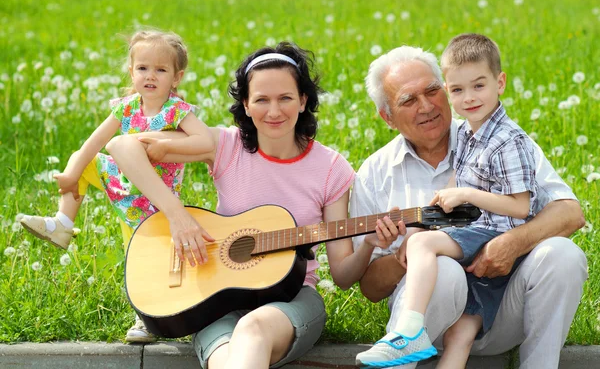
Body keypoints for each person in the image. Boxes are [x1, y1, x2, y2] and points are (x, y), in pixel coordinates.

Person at [105, 42, 386, 369]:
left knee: (252, 331)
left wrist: (368, 243)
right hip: (212, 300)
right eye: (262, 100)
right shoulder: (226, 146)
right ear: (247, 106)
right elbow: (121, 145)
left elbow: (342, 274)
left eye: (285, 98)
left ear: (303, 100)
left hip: (292, 299)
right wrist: (178, 217)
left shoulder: (331, 168)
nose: (274, 111)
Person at [351, 44, 587, 369]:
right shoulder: (375, 174)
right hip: (433, 326)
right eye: (408, 99)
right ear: (387, 117)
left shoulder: (499, 141)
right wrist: (403, 254)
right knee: (443, 267)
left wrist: (513, 242)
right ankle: (405, 343)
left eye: (432, 91)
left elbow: (570, 212)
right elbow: (371, 289)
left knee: (564, 254)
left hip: (502, 310)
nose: (426, 106)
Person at [19, 29, 214, 343]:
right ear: (131, 71)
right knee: (81, 161)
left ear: (176, 78)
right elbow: (93, 143)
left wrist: (164, 142)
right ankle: (63, 224)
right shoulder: (126, 107)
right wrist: (71, 174)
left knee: (138, 258)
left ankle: (147, 317)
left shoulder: (176, 112)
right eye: (143, 68)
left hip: (150, 201)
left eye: (160, 70)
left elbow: (206, 140)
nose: (150, 76)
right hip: (117, 179)